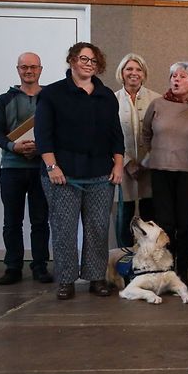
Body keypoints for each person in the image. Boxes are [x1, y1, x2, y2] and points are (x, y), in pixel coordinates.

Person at [35, 42, 124, 300]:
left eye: (93, 61)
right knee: (64, 229)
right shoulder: (52, 94)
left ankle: (96, 277)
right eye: (84, 59)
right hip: (63, 174)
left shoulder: (106, 96)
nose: (88, 64)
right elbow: (43, 134)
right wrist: (52, 166)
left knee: (98, 227)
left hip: (100, 173)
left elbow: (116, 134)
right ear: (72, 60)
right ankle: (66, 280)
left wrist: (118, 164)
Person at [141, 61, 188, 283]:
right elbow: (146, 133)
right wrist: (155, 152)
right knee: (165, 223)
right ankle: (166, 267)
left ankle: (184, 268)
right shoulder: (157, 104)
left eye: (182, 76)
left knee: (184, 224)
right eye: (173, 76)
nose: (176, 80)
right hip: (160, 170)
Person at [0, 52, 51, 285]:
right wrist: (12, 146)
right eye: (24, 67)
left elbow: (59, 129)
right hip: (11, 168)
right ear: (18, 70)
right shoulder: (3, 100)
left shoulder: (50, 99)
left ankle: (40, 266)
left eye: (33, 67)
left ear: (40, 70)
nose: (29, 71)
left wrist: (41, 149)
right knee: (12, 221)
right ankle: (13, 267)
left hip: (41, 168)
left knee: (40, 221)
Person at [113, 53, 159, 246]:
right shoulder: (112, 100)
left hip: (150, 166)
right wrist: (127, 163)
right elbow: (108, 136)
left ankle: (150, 256)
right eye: (129, 69)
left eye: (138, 69)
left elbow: (161, 135)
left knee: (150, 216)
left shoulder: (157, 99)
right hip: (121, 167)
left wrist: (147, 161)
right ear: (122, 73)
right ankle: (124, 256)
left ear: (144, 73)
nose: (134, 73)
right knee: (124, 215)